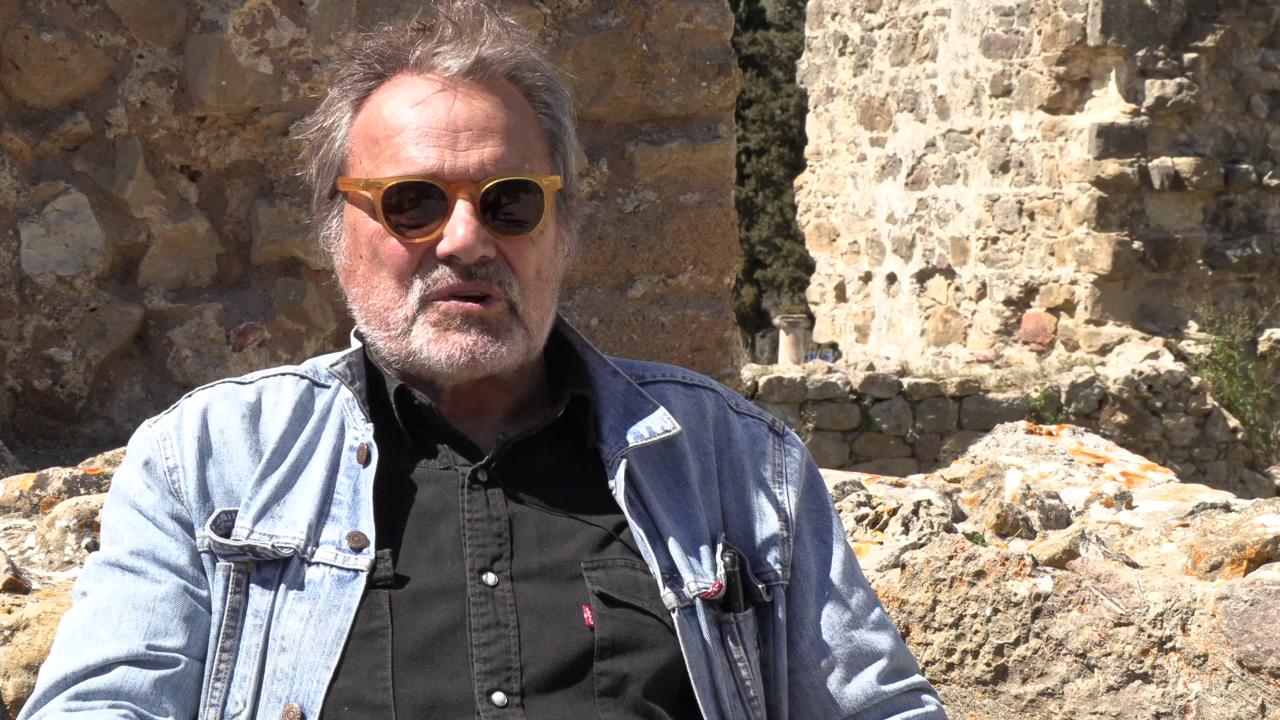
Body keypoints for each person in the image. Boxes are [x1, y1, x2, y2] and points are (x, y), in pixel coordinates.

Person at [19, 2, 946, 718]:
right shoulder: (208, 465)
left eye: (508, 202)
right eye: (413, 202)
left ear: (562, 229)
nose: (465, 240)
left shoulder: (734, 467)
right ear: (339, 232)